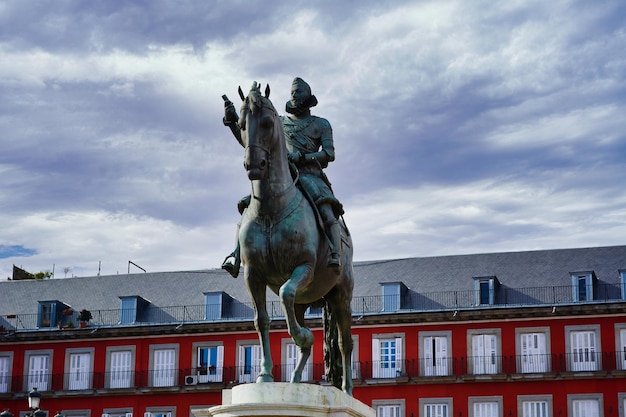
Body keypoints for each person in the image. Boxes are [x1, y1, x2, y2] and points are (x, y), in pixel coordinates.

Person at [221, 77, 344, 277]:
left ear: (309, 95)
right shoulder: (280, 122)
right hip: (280, 175)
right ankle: (236, 255)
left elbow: (329, 154)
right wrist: (232, 122)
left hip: (309, 174)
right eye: (292, 92)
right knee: (248, 206)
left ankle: (334, 253)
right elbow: (251, 141)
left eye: (299, 92)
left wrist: (302, 157)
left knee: (325, 207)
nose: (294, 95)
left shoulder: (321, 124)